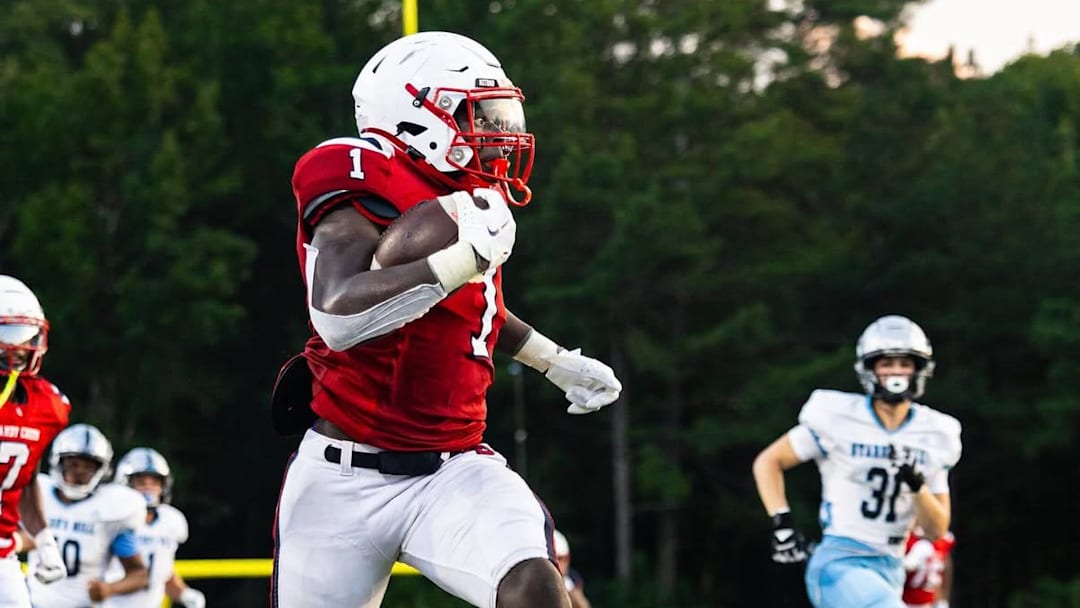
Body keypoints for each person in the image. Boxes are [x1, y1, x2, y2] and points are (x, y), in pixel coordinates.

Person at [271, 31, 622, 608]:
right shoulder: (357, 173)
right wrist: (460, 258)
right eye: (476, 111)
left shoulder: (469, 195)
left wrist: (553, 360)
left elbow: (472, 310)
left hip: (452, 467)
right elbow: (337, 314)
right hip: (340, 479)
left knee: (534, 585)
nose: (498, 131)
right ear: (414, 114)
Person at [751, 315, 962, 608]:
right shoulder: (838, 416)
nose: (896, 372)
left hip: (890, 567)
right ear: (870, 369)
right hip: (840, 561)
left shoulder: (936, 433)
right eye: (887, 364)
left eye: (904, 363)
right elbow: (769, 461)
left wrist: (917, 486)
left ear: (919, 369)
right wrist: (782, 522)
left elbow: (936, 529)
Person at [0, 275, 71, 607]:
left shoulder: (47, 406)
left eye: (25, 334)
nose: (19, 347)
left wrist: (45, 541)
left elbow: (25, 478)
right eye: (7, 334)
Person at [26, 423, 149, 607]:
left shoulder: (111, 508)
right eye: (73, 464)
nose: (79, 472)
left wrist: (110, 589)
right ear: (59, 462)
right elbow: (24, 536)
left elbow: (139, 575)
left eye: (88, 466)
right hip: (32, 602)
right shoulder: (39, 493)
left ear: (102, 469)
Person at [102, 447, 205, 608]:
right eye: (141, 482)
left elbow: (162, 574)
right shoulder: (112, 518)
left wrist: (184, 593)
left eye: (155, 482)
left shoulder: (171, 521)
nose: (148, 488)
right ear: (125, 483)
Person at [902, 525, 955, 608]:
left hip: (929, 601)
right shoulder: (906, 537)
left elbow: (944, 570)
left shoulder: (944, 538)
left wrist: (943, 599)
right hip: (903, 600)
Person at [553, 530, 591, 608]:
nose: (558, 564)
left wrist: (570, 590)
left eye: (561, 559)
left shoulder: (572, 578)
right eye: (555, 559)